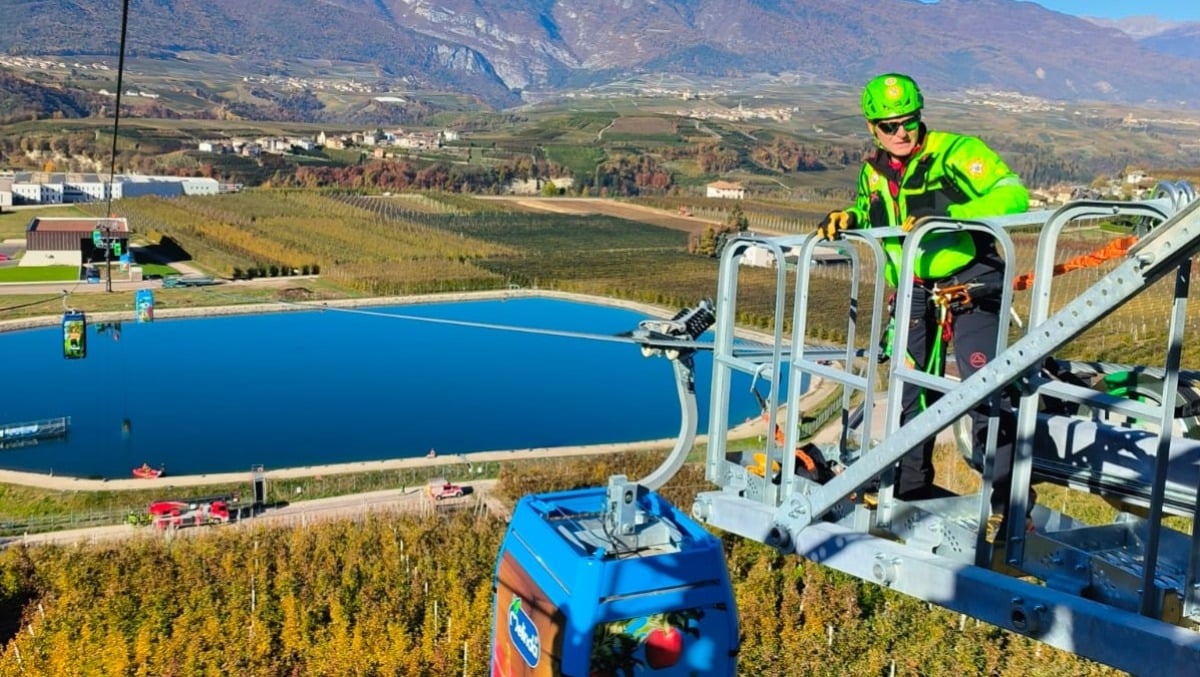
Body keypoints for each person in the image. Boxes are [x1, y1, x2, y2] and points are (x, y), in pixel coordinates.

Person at [817, 73, 1030, 534]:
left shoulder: (954, 154)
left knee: (983, 384)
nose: (900, 133)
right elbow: (877, 213)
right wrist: (848, 217)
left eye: (908, 122)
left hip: (969, 283)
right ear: (872, 128)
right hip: (915, 290)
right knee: (909, 391)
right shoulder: (873, 173)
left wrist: (950, 218)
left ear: (919, 117)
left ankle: (1009, 502)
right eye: (889, 126)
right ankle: (910, 489)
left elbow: (1013, 194)